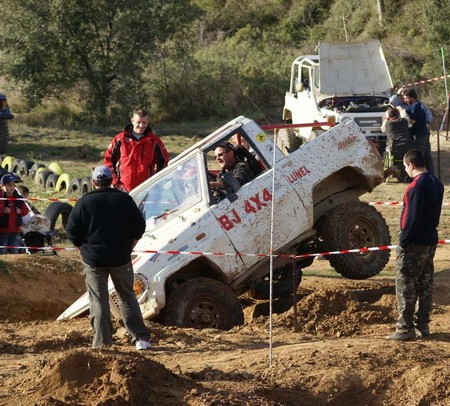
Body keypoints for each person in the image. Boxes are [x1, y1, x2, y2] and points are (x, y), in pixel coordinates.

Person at [66, 165, 151, 350]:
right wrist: (130, 246)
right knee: (127, 297)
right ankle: (140, 339)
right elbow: (139, 226)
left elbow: (72, 232)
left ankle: (102, 343)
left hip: (94, 259)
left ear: (93, 182)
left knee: (98, 300)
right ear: (112, 180)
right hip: (120, 257)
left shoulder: (83, 202)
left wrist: (84, 249)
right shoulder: (123, 199)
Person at [386, 149, 444, 341]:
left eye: (405, 166)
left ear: (411, 165)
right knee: (425, 284)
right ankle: (423, 325)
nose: (405, 170)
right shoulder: (436, 182)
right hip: (430, 240)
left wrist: (403, 242)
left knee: (406, 285)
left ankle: (405, 328)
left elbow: (410, 218)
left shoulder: (415, 186)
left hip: (414, 243)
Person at [104, 108, 169, 192]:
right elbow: (108, 161)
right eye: (138, 122)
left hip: (146, 189)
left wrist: (155, 182)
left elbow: (163, 162)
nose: (141, 126)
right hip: (124, 189)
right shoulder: (120, 139)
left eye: (144, 122)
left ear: (148, 122)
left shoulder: (154, 141)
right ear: (132, 121)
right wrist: (116, 183)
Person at [403, 88, 434, 175]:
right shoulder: (416, 105)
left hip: (420, 134)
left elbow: (413, 120)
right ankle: (430, 173)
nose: (405, 100)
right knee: (427, 155)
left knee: (420, 155)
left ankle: (421, 174)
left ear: (412, 97)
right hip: (424, 132)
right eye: (404, 98)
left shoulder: (416, 105)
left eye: (407, 98)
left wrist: (406, 119)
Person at [0, 174, 29, 254]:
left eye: (13, 185)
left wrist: (20, 211)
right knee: (2, 251)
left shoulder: (18, 198)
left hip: (16, 230)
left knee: (14, 251)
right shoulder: (1, 198)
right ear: (2, 186)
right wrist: (3, 210)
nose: (12, 187)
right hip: (3, 231)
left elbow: (26, 209)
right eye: (9, 185)